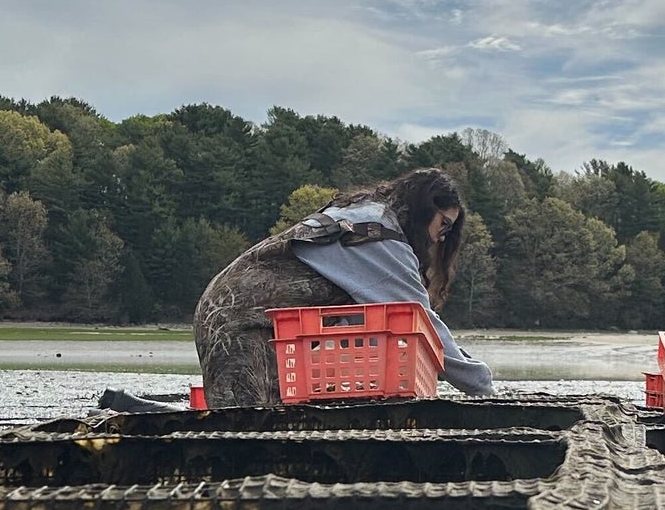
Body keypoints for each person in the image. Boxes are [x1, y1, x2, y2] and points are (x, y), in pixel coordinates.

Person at [194, 166, 495, 405]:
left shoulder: (367, 217)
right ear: (425, 208)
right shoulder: (379, 237)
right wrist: (482, 386)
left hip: (233, 311)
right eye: (444, 224)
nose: (442, 237)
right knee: (248, 430)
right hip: (239, 319)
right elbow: (424, 325)